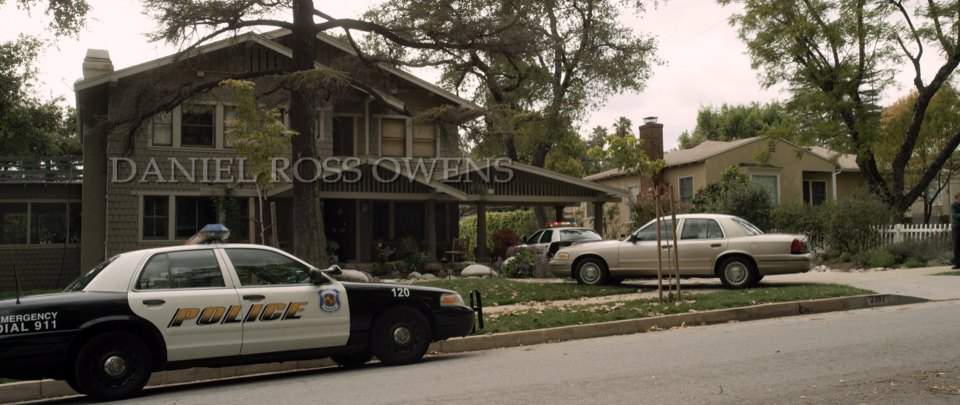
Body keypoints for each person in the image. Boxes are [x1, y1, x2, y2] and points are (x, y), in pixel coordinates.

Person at [952, 193, 960, 269]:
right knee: (956, 245)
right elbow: (955, 215)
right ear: (957, 198)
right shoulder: (954, 205)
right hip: (957, 227)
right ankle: (957, 263)